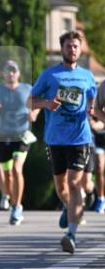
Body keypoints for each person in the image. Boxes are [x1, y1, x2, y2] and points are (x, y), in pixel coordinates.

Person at [28, 29, 97, 253]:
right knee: (61, 186)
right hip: (55, 138)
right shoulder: (49, 75)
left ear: (80, 49)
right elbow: (29, 102)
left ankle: (72, 234)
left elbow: (93, 100)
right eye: (68, 45)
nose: (72, 49)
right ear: (62, 48)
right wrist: (46, 104)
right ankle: (69, 207)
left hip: (80, 137)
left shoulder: (87, 76)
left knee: (75, 183)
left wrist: (93, 110)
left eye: (76, 45)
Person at [0, 59, 38, 225]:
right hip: (2, 136)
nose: (11, 73)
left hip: (22, 135)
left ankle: (17, 207)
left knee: (16, 168)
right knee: (7, 174)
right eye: (8, 70)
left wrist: (34, 113)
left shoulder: (28, 89)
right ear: (3, 73)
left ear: (18, 73)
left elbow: (38, 103)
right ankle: (9, 197)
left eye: (14, 70)